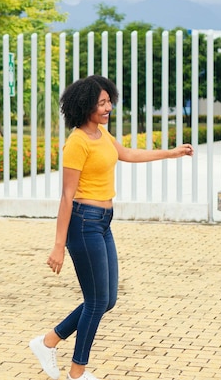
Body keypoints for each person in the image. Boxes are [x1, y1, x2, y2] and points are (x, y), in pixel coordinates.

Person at [29, 75, 194, 380]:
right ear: (85, 106)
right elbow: (66, 195)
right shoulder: (77, 142)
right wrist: (58, 245)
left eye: (109, 101)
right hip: (83, 223)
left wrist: (171, 152)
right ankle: (76, 373)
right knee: (95, 301)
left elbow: (128, 153)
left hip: (103, 222)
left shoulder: (102, 134)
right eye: (102, 103)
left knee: (108, 299)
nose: (108, 107)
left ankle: (47, 342)